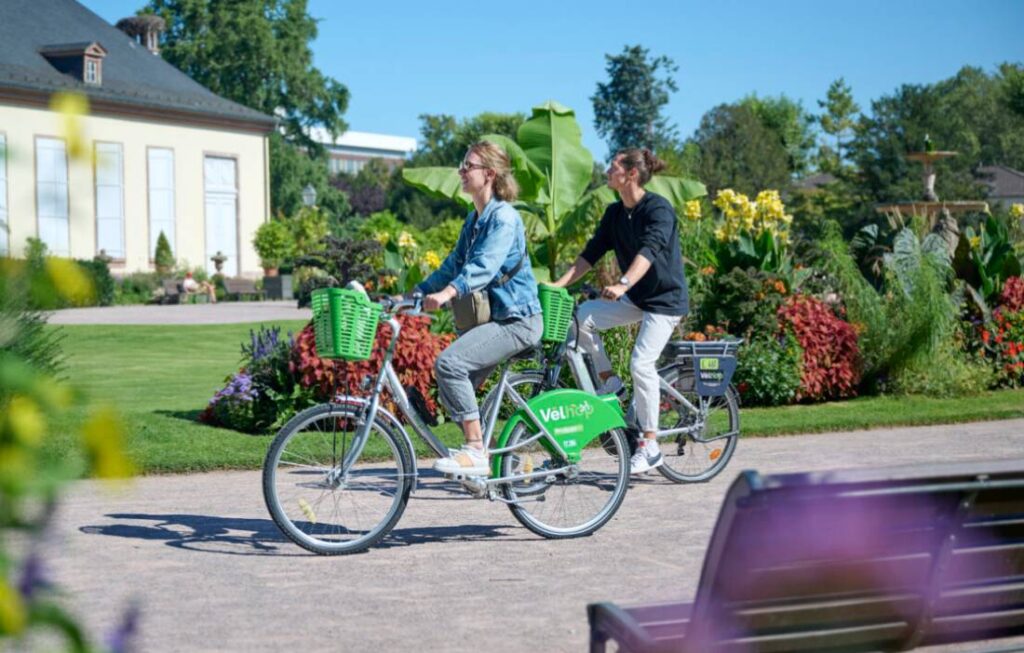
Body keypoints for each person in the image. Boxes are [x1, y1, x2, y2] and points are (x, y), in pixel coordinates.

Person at [549, 148, 688, 474]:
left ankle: (650, 445)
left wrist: (623, 283)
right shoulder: (615, 213)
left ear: (631, 174)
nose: (607, 172)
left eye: (613, 167)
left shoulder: (658, 209)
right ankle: (609, 382)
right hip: (637, 299)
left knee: (641, 362)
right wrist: (558, 285)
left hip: (665, 302)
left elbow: (649, 251)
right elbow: (589, 255)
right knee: (582, 318)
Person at [416, 141, 543, 476]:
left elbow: (484, 267)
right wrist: (416, 293)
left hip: (518, 320)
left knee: (450, 364)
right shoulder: (474, 220)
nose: (461, 170)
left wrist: (447, 293)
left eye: (467, 165)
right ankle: (494, 459)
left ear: (489, 174)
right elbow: (451, 265)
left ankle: (475, 452)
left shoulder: (504, 218)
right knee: (453, 393)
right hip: (500, 320)